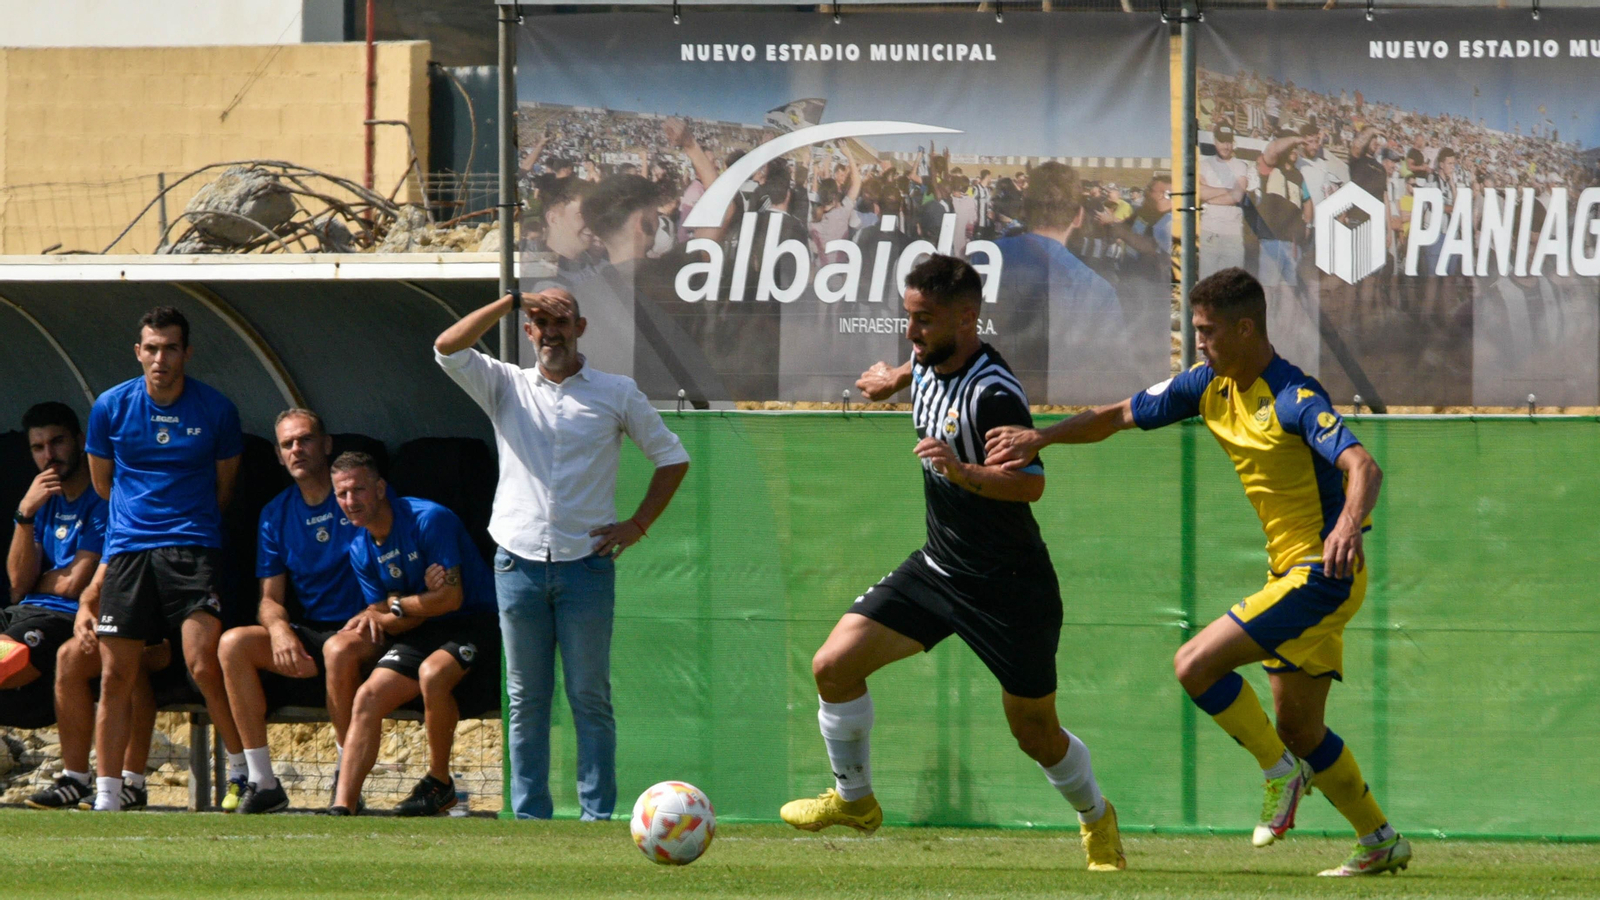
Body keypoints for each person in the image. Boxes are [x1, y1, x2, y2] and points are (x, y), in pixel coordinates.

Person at [985, 268, 1409, 877]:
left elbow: (1363, 467)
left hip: (1324, 573)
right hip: (1288, 574)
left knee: (1194, 664)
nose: (1198, 341)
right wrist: (1041, 439)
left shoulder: (1293, 395)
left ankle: (1278, 774)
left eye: (1207, 331)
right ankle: (1379, 838)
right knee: (1299, 726)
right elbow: (1114, 416)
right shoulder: (1204, 386)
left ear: (1244, 328)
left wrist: (1346, 526)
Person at [779, 255, 1126, 873]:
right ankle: (855, 802)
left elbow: (1030, 485)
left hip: (1009, 589)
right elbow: (919, 363)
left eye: (924, 321)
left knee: (1036, 735)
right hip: (940, 569)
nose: (912, 332)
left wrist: (963, 473)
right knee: (833, 666)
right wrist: (895, 377)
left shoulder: (993, 394)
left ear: (967, 318)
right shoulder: (931, 357)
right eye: (908, 318)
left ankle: (1097, 818)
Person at [434, 288, 690, 820]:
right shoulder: (505, 383)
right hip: (517, 563)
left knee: (589, 698)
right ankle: (531, 818)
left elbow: (672, 458)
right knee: (526, 702)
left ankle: (596, 816)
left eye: (561, 321)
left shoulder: (615, 392)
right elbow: (446, 346)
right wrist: (511, 301)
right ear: (527, 331)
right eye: (540, 323)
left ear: (581, 327)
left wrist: (638, 523)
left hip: (586, 566)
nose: (550, 331)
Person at [84, 306, 249, 812]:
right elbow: (102, 484)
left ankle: (244, 772)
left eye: (170, 348)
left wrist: (183, 525)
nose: (160, 358)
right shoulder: (110, 407)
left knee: (203, 664)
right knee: (116, 675)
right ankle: (107, 794)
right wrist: (134, 530)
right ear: (139, 353)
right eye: (151, 348)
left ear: (186, 352)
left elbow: (223, 488)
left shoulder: (216, 410)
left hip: (192, 547)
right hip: (129, 552)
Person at [217, 409, 388, 814]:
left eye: (305, 439)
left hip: (366, 626)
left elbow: (395, 560)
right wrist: (278, 630)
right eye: (288, 444)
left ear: (326, 445)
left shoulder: (355, 494)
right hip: (313, 630)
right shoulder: (275, 513)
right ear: (278, 455)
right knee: (233, 644)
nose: (297, 449)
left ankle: (348, 782)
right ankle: (263, 782)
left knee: (338, 650)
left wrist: (378, 608)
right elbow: (270, 599)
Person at [327, 452, 500, 817]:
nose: (350, 501)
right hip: (423, 628)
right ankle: (343, 805)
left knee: (432, 673)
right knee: (368, 695)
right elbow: (385, 617)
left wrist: (401, 604)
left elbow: (452, 598)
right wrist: (414, 602)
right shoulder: (359, 547)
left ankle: (440, 783)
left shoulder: (428, 519)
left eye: (358, 490)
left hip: (476, 622)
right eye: (341, 494)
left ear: (379, 489)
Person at [1198, 124, 1253, 279]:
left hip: (1233, 233)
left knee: (1232, 286)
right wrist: (1229, 189)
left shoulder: (1240, 165)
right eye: (1222, 141)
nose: (1226, 146)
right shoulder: (1204, 165)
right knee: (1208, 284)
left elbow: (1237, 197)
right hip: (1209, 231)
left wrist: (1211, 192)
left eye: (1228, 142)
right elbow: (1201, 193)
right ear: (1215, 141)